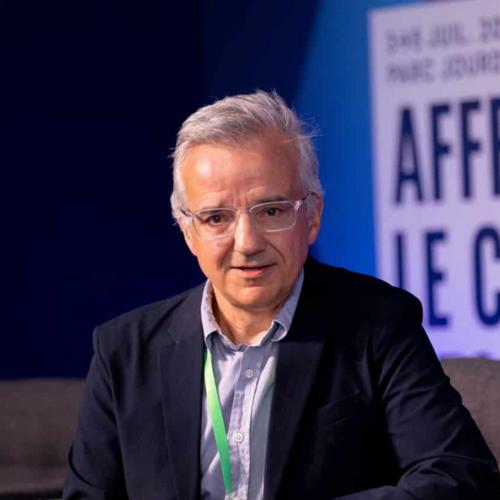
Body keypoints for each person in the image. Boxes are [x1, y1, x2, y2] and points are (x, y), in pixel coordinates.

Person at [63, 91, 500, 500]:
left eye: (271, 211)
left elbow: (457, 475)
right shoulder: (124, 351)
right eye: (216, 218)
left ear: (313, 216)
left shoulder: (378, 324)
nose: (247, 242)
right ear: (187, 231)